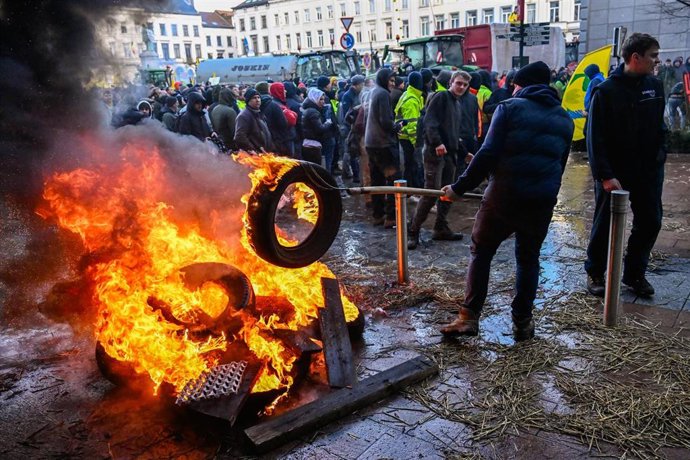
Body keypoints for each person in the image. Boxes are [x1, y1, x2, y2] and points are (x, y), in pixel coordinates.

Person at [439, 61, 574, 341]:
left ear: (521, 85)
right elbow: (559, 165)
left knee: (482, 251)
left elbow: (487, 154)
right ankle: (523, 322)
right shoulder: (565, 119)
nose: (512, 89)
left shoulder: (509, 108)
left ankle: (468, 317)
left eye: (514, 86)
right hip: (541, 200)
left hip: (504, 196)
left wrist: (458, 189)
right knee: (528, 259)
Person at [585, 33, 666, 298]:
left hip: (649, 171)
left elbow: (659, 126)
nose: (657, 61)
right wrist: (605, 175)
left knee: (651, 221)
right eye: (653, 55)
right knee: (604, 224)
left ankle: (634, 274)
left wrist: (660, 155)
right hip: (615, 173)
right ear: (635, 57)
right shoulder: (606, 91)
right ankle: (596, 271)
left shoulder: (654, 86)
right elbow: (594, 137)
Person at [407, 71, 473, 250]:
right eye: (458, 83)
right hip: (435, 154)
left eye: (464, 85)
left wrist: (464, 152)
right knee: (430, 193)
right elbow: (430, 122)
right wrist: (437, 142)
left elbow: (454, 133)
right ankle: (412, 230)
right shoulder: (441, 97)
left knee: (447, 192)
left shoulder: (457, 103)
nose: (461, 87)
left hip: (449, 154)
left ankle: (440, 227)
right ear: (451, 82)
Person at [365, 68, 402, 228]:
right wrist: (397, 126)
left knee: (377, 180)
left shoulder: (374, 92)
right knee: (394, 180)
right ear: (383, 80)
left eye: (394, 81)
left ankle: (377, 215)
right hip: (383, 144)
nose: (393, 84)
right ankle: (391, 218)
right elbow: (386, 122)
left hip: (371, 143)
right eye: (391, 81)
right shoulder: (383, 94)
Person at [395, 71, 425, 190]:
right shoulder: (412, 99)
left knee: (409, 165)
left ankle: (409, 191)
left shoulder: (408, 94)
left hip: (404, 137)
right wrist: (416, 144)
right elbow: (412, 126)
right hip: (409, 138)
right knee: (412, 165)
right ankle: (410, 191)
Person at [300, 87, 337, 165]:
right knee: (325, 163)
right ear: (314, 98)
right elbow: (320, 128)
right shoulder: (313, 112)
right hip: (317, 141)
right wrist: (328, 122)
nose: (323, 102)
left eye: (323, 99)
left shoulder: (309, 109)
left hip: (314, 141)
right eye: (320, 99)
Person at [234, 88, 272, 153]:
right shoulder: (244, 116)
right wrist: (252, 149)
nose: (257, 100)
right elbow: (239, 137)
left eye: (258, 97)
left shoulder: (259, 113)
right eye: (254, 98)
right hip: (256, 155)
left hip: (265, 152)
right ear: (248, 100)